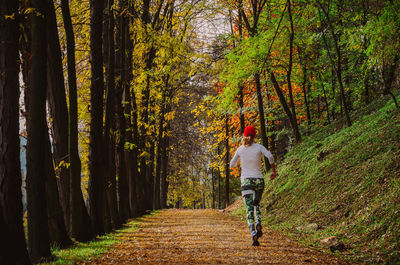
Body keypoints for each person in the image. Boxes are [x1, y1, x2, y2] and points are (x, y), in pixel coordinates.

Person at [230, 125, 277, 246]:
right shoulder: (259, 147)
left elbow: (232, 164)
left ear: (244, 135)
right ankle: (259, 222)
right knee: (257, 204)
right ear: (255, 135)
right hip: (259, 181)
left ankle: (252, 231)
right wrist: (273, 171)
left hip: (246, 181)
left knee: (249, 208)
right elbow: (270, 156)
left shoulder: (240, 149)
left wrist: (238, 165)